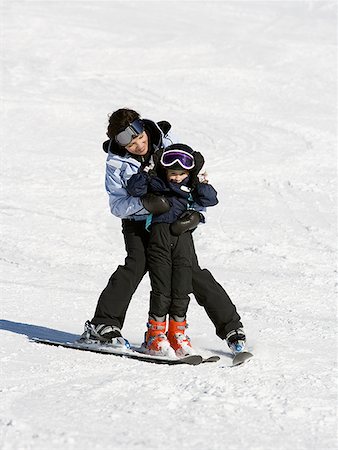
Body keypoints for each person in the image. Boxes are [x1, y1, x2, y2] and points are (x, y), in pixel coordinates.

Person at [81, 108, 246, 355]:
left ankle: (232, 328)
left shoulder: (167, 145)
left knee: (190, 272)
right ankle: (103, 324)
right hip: (138, 224)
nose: (138, 145)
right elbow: (117, 205)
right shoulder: (115, 163)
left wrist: (197, 216)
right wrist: (145, 204)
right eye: (129, 143)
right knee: (135, 265)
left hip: (171, 224)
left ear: (143, 128)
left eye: (139, 137)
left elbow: (192, 186)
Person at [125, 144, 218, 357]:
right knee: (162, 287)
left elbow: (210, 199)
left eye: (181, 173)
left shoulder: (192, 188)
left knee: (182, 287)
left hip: (183, 239)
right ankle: (155, 336)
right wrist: (146, 170)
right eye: (173, 173)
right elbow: (135, 189)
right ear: (165, 171)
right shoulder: (157, 184)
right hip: (159, 238)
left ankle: (177, 333)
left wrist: (201, 182)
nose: (176, 178)